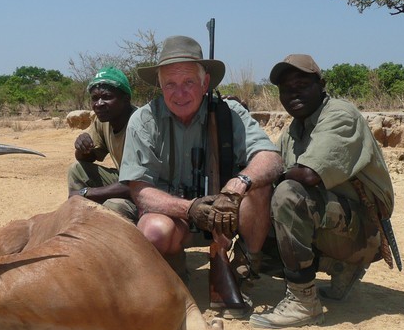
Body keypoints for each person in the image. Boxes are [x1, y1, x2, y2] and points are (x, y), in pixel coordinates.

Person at [118, 35, 283, 295]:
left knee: (259, 186)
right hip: (176, 219)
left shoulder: (229, 113)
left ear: (205, 82)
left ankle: (244, 266)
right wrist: (190, 208)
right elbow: (140, 190)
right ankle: (172, 267)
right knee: (154, 230)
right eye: (170, 84)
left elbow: (271, 158)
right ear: (159, 86)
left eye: (189, 82)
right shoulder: (142, 120)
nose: (179, 93)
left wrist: (236, 186)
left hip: (227, 217)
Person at [249, 54, 395, 329]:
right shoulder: (295, 129)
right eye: (285, 88)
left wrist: (260, 179)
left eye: (302, 84)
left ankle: (304, 303)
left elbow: (308, 174)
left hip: (366, 231)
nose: (293, 92)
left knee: (286, 196)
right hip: (341, 224)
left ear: (321, 84)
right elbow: (272, 162)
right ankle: (341, 268)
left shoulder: (340, 114)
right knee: (260, 205)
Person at [67, 66, 138, 221]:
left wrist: (85, 193)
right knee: (76, 169)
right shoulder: (103, 121)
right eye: (94, 98)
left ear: (126, 100)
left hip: (148, 189)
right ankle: (80, 222)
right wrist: (82, 147)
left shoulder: (140, 124)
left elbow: (133, 185)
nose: (99, 104)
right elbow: (86, 159)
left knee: (114, 206)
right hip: (125, 179)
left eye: (106, 97)